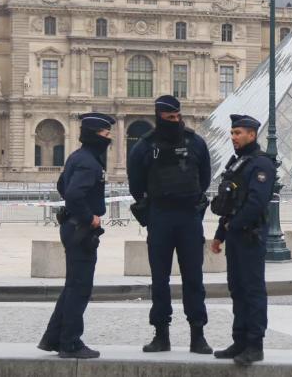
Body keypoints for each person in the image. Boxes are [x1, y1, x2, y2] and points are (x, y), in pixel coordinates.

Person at [127, 95, 212, 355]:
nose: (174, 121)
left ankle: (197, 334)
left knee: (194, 279)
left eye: (177, 117)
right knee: (160, 280)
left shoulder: (195, 142)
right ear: (159, 116)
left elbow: (204, 179)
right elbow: (136, 185)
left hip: (187, 217)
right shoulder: (144, 146)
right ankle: (161, 334)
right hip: (161, 216)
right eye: (169, 118)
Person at [38, 113, 114, 359]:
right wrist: (89, 217)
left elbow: (62, 185)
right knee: (80, 288)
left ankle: (54, 338)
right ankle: (70, 342)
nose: (108, 138)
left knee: (72, 286)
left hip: (71, 226)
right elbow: (72, 193)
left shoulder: (77, 157)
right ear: (94, 135)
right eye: (105, 134)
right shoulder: (90, 162)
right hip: (80, 229)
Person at [210, 114, 275, 366]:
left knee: (252, 290)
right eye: (232, 132)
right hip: (236, 235)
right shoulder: (238, 163)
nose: (233, 137)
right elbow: (230, 204)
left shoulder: (261, 165)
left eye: (238, 133)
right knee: (236, 289)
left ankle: (254, 344)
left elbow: (255, 203)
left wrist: (232, 225)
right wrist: (220, 234)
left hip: (250, 235)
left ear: (252, 134)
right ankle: (239, 340)